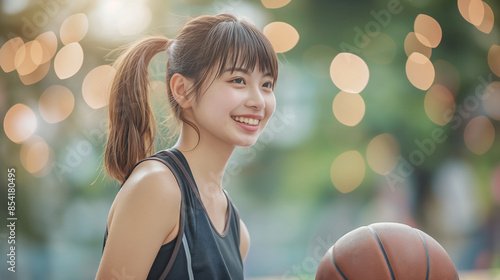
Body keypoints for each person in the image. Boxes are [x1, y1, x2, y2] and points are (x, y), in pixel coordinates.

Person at [95, 13, 278, 280]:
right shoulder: (157, 187)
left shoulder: (238, 231)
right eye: (238, 80)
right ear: (182, 89)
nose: (258, 100)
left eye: (267, 84)